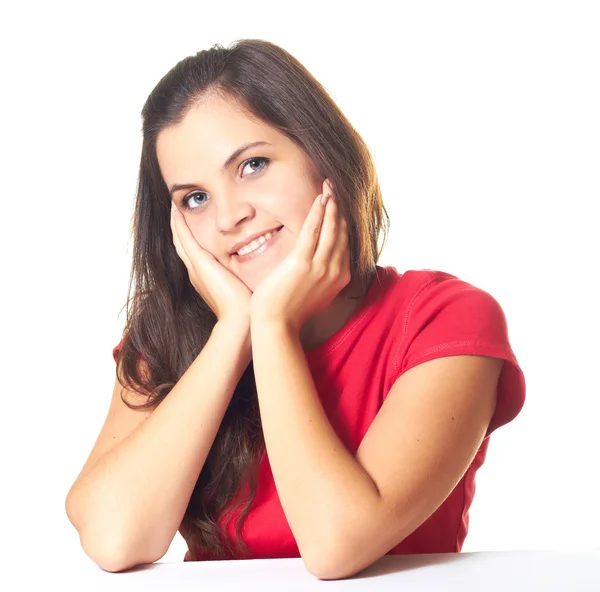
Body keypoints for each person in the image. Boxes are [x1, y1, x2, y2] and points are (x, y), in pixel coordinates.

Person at [65, 39, 526, 580]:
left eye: (253, 165)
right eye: (194, 197)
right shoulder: (166, 335)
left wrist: (273, 326)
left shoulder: (443, 319)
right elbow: (113, 537)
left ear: (322, 154)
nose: (229, 216)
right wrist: (235, 331)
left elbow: (336, 545)